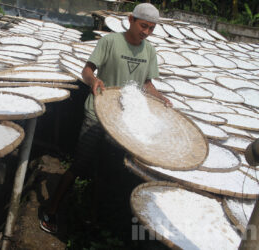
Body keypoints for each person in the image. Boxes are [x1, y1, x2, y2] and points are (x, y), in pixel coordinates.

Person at [39, 3, 171, 234]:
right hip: (98, 112)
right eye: (143, 26)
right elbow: (87, 70)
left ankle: (94, 216)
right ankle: (52, 208)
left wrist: (161, 98)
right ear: (131, 20)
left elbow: (147, 84)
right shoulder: (109, 42)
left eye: (151, 28)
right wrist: (94, 82)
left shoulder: (149, 51)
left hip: (124, 119)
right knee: (80, 163)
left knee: (110, 169)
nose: (146, 32)